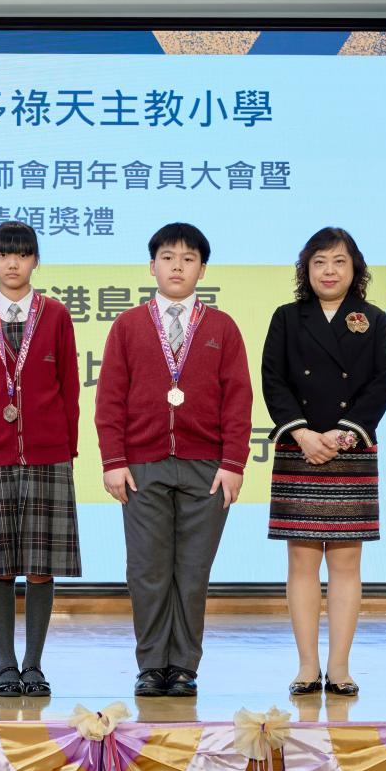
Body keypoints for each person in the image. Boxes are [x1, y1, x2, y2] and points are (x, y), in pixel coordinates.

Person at [94, 222, 253, 698]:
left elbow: (238, 400)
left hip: (208, 468)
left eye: (188, 259)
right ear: (152, 267)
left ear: (203, 269)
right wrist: (113, 460)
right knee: (147, 571)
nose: (177, 266)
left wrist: (234, 463)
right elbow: (109, 398)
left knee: (193, 572)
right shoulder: (128, 326)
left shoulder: (222, 327)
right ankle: (150, 665)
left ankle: (183, 666)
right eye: (167, 257)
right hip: (142, 466)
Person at [261, 226, 386, 697]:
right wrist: (302, 433)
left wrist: (344, 433)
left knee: (346, 562)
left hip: (350, 449)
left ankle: (339, 668)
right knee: (301, 562)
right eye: (319, 262)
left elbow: (381, 383)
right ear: (306, 269)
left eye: (339, 261)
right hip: (299, 448)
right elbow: (273, 380)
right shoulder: (286, 317)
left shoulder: (373, 319)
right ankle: (306, 667)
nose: (329, 271)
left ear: (355, 268)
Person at [0, 221, 82, 698]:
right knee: (0, 565)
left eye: (23, 254)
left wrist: (65, 447)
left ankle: (34, 664)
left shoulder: (56, 315)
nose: (13, 263)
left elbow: (69, 387)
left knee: (42, 565)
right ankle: (6, 665)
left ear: (36, 261)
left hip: (49, 455)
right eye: (4, 254)